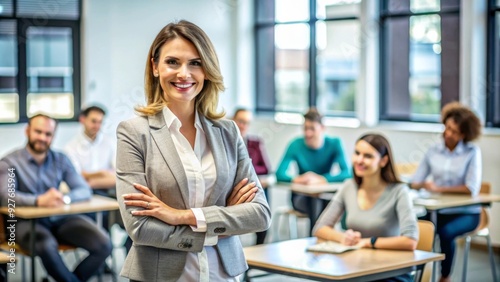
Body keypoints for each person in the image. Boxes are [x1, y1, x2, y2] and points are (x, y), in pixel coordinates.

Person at [116, 20, 271, 281]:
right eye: (172, 62)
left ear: (207, 70)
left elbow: (259, 215)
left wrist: (180, 216)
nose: (184, 74)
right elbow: (139, 227)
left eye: (195, 63)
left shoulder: (228, 132)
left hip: (222, 274)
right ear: (155, 67)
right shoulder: (134, 133)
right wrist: (221, 222)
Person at [0, 114, 112, 282]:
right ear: (27, 131)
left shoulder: (60, 159)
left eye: (48, 134)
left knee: (104, 243)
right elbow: (5, 195)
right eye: (38, 132)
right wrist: (39, 201)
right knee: (47, 244)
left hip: (59, 219)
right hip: (23, 223)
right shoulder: (9, 162)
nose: (43, 138)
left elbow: (83, 189)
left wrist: (65, 199)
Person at [313, 133, 418, 282]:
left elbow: (410, 241)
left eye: (368, 156)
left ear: (383, 161)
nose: (359, 160)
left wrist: (369, 242)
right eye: (357, 153)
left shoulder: (399, 191)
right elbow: (319, 228)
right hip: (356, 269)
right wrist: (344, 238)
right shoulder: (348, 186)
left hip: (390, 273)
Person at [410, 102, 482, 282]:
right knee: (412, 227)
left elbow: (470, 188)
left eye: (454, 131)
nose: (448, 134)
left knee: (445, 232)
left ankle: (445, 276)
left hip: (466, 213)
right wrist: (417, 184)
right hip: (437, 211)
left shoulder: (472, 152)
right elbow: (416, 180)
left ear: (464, 135)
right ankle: (412, 273)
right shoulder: (433, 150)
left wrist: (437, 188)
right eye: (447, 128)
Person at [275, 108, 351, 234]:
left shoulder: (334, 144)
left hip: (326, 196)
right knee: (315, 200)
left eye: (312, 129)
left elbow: (347, 172)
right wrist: (297, 179)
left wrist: (321, 179)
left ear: (322, 128)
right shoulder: (295, 145)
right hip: (301, 198)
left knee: (326, 200)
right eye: (305, 129)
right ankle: (316, 239)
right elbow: (279, 174)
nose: (308, 133)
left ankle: (321, 237)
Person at [233, 108, 272, 244]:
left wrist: (246, 168)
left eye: (247, 123)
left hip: (250, 184)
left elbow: (266, 168)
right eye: (241, 121)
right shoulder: (225, 140)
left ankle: (261, 236)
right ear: (233, 120)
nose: (243, 126)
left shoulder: (255, 143)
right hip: (233, 186)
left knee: (261, 189)